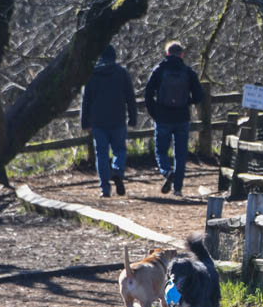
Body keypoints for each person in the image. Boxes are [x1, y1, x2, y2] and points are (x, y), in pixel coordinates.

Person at [144, 41, 204, 196]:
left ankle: (167, 172)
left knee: (161, 151)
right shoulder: (188, 72)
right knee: (181, 154)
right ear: (182, 54)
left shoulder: (159, 70)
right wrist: (186, 102)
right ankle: (178, 188)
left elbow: (148, 94)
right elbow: (199, 96)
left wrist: (155, 112)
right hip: (182, 117)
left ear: (167, 53)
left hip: (163, 117)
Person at [80, 45, 137, 198]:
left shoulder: (92, 75)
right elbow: (130, 98)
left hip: (98, 121)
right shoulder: (122, 73)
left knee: (101, 154)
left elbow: (86, 101)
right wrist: (133, 118)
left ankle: (105, 189)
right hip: (118, 119)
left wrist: (84, 122)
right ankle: (117, 171)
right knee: (119, 150)